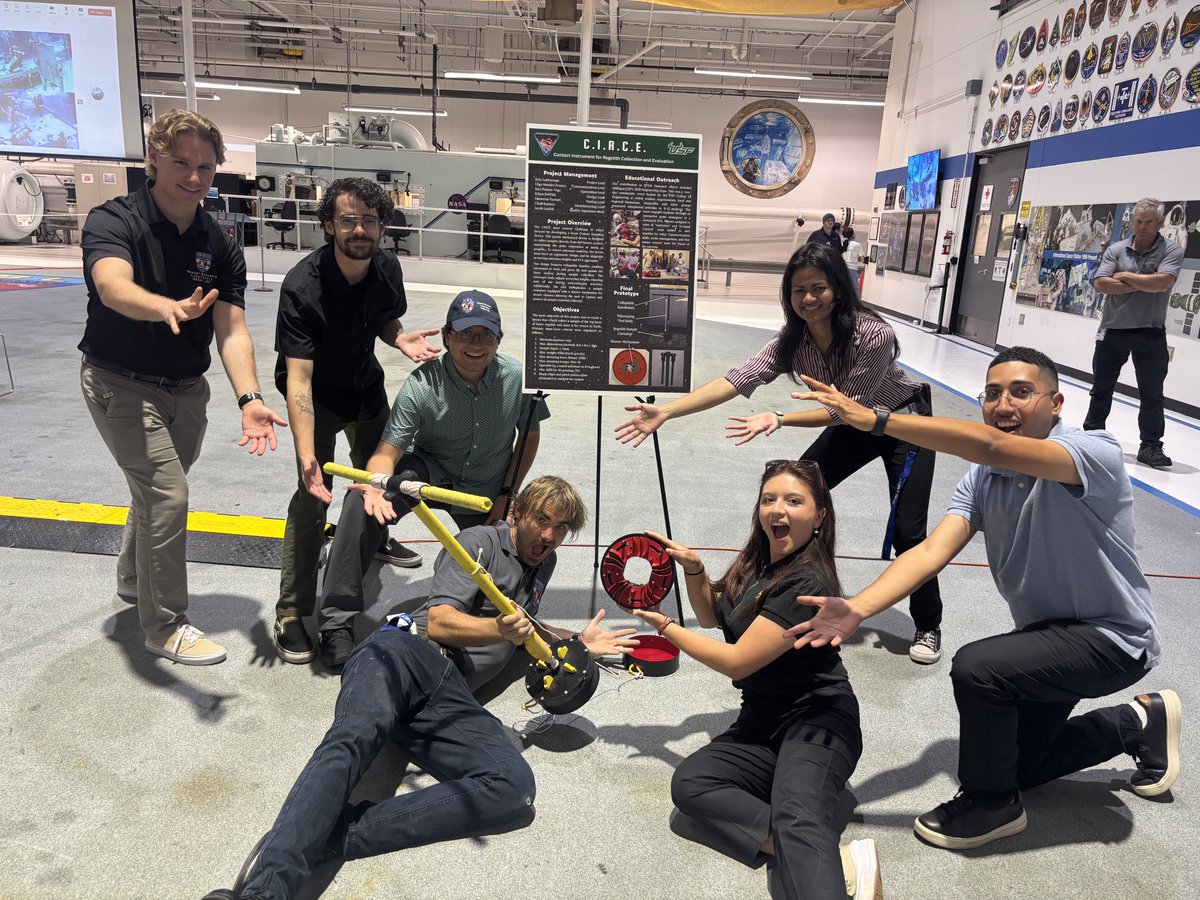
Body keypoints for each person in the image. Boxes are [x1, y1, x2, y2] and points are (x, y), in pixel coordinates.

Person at [788, 346, 1180, 853]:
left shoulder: (1092, 453)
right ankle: (1136, 723)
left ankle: (992, 804)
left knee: (979, 669)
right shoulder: (982, 479)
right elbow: (930, 551)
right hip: (1049, 639)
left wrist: (879, 421)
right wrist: (858, 607)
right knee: (1022, 766)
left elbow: (991, 446)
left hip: (1114, 639)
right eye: (992, 394)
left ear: (1056, 403)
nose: (1003, 404)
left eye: (1021, 392)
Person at [202, 477, 638, 900]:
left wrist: (578, 642)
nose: (550, 535)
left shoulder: (544, 561)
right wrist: (499, 631)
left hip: (447, 695)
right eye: (543, 520)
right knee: (352, 740)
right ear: (518, 512)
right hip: (405, 652)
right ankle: (266, 889)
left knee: (512, 786)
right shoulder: (478, 544)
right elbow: (441, 621)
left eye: (562, 527)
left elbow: (523, 626)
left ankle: (331, 835)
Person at [616, 242, 944, 665]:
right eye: (797, 290)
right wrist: (668, 411)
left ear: (839, 290)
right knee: (787, 500)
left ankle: (928, 623)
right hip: (851, 422)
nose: (808, 299)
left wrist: (781, 417)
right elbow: (739, 378)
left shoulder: (872, 335)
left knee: (908, 532)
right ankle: (753, 591)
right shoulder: (792, 340)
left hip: (901, 422)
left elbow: (846, 409)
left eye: (818, 288)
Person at [79, 108, 286, 665]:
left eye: (206, 166)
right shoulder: (113, 220)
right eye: (181, 163)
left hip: (186, 391)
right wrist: (166, 307)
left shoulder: (218, 243)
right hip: (118, 383)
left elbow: (232, 329)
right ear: (153, 159)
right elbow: (111, 287)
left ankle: (132, 576)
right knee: (168, 494)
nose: (194, 177)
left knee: (157, 492)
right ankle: (165, 623)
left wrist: (251, 399)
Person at [633, 460, 880, 899]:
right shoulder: (756, 560)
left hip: (817, 720)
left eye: (793, 501)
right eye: (769, 500)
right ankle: (825, 856)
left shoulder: (807, 581)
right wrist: (694, 569)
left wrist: (668, 628)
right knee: (691, 784)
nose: (777, 510)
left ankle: (807, 842)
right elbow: (712, 615)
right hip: (762, 723)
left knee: (796, 817)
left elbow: (737, 662)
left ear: (820, 516)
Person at [315, 291, 549, 667]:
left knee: (514, 546)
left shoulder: (516, 378)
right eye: (466, 334)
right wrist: (376, 486)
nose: (476, 344)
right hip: (429, 475)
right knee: (360, 503)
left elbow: (530, 435)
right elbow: (387, 452)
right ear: (447, 337)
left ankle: (494, 622)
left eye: (485, 335)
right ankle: (336, 622)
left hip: (487, 486)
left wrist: (509, 492)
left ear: (498, 340)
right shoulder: (422, 384)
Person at [272, 177, 442, 665]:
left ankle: (378, 539)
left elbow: (385, 320)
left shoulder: (386, 268)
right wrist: (307, 453)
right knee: (311, 499)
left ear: (382, 226)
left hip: (364, 388)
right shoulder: (302, 288)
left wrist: (400, 339)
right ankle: (291, 611)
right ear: (329, 225)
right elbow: (299, 382)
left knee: (382, 477)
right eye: (348, 220)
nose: (360, 229)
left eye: (369, 220)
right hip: (317, 398)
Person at [1083, 197, 1184, 469]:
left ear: (1161, 222)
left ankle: (1150, 446)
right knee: (1101, 388)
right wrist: (1144, 283)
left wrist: (1123, 277)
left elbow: (1163, 283)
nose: (1142, 226)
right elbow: (1101, 284)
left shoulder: (1172, 250)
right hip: (1112, 329)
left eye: (1149, 222)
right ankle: (1092, 435)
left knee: (1152, 393)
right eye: (1138, 221)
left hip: (1150, 331)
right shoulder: (1116, 249)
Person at [842, 226, 865, 297]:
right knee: (855, 289)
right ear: (852, 235)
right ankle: (857, 306)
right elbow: (862, 259)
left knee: (845, 288)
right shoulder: (857, 245)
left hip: (843, 268)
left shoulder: (843, 244)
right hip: (852, 268)